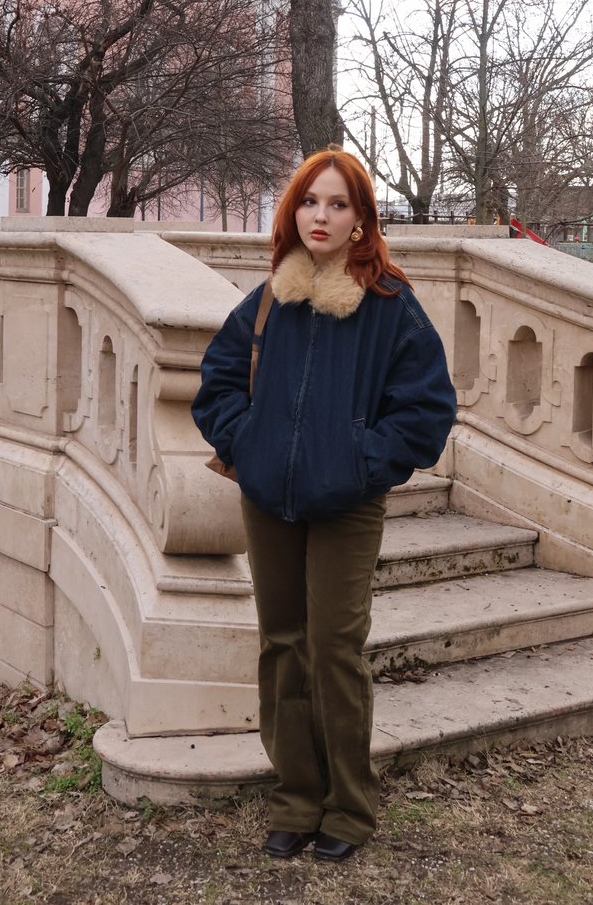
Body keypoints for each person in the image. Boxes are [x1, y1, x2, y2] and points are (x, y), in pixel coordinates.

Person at [191, 146, 457, 863]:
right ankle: (296, 798)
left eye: (339, 204)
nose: (322, 215)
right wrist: (249, 447)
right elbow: (216, 384)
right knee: (282, 645)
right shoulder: (270, 298)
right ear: (294, 211)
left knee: (333, 649)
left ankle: (348, 807)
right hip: (269, 498)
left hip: (347, 503)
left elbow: (428, 409)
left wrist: (361, 460)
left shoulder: (390, 307)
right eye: (311, 201)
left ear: (361, 220)